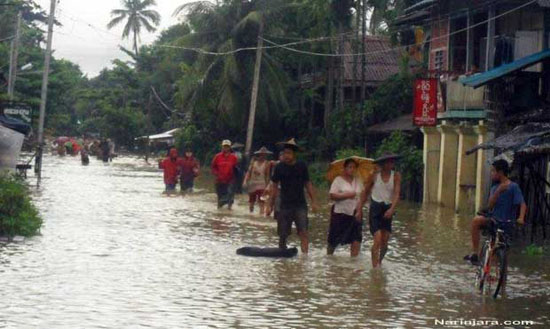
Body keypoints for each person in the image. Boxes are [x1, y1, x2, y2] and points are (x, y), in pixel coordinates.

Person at [464, 159, 527, 264]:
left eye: (493, 171)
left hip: (507, 223)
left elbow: (522, 204)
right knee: (476, 221)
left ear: (500, 172)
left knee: (496, 254)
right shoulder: (494, 187)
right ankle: (475, 253)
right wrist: (498, 191)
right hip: (494, 220)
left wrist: (521, 218)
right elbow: (490, 206)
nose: (492, 173)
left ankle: (496, 274)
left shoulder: (513, 187)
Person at [266, 138, 319, 253]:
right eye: (284, 153)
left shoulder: (301, 166)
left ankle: (305, 257)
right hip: (284, 205)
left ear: (294, 154)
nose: (286, 156)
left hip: (300, 205)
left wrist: (314, 201)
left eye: (289, 153)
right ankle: (282, 256)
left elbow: (308, 184)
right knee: (283, 234)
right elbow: (274, 187)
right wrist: (270, 205)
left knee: (303, 232)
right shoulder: (279, 167)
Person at [358, 152, 401, 268]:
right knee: (377, 239)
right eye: (388, 162)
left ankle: (379, 262)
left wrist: (392, 209)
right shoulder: (374, 175)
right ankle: (374, 268)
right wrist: (359, 209)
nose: (391, 164)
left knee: (385, 242)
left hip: (388, 208)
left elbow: (397, 193)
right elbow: (365, 192)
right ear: (383, 163)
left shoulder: (396, 176)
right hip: (375, 208)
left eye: (392, 161)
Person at [327, 158, 364, 257]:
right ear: (345, 168)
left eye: (354, 167)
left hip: (355, 212)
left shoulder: (358, 181)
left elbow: (361, 198)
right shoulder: (338, 180)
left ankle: (354, 263)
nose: (352, 169)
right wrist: (347, 195)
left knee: (356, 239)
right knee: (333, 239)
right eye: (349, 167)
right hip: (340, 213)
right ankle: (329, 258)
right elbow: (332, 196)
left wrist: (359, 211)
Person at [243, 147, 272, 214]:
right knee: (251, 203)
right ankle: (251, 214)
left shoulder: (267, 164)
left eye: (264, 155)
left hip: (262, 185)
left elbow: (267, 176)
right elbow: (248, 172)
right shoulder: (253, 163)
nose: (263, 156)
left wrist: (267, 186)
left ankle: (260, 216)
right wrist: (245, 181)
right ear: (258, 155)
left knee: (261, 203)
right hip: (252, 184)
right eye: (261, 154)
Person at [211, 140, 239, 209]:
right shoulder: (217, 156)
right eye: (224, 146)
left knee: (230, 197)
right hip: (219, 180)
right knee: (220, 199)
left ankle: (229, 210)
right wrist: (217, 174)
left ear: (230, 147)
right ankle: (219, 211)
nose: (226, 148)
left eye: (227, 146)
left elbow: (236, 169)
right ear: (222, 147)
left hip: (230, 180)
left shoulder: (234, 157)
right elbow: (213, 167)